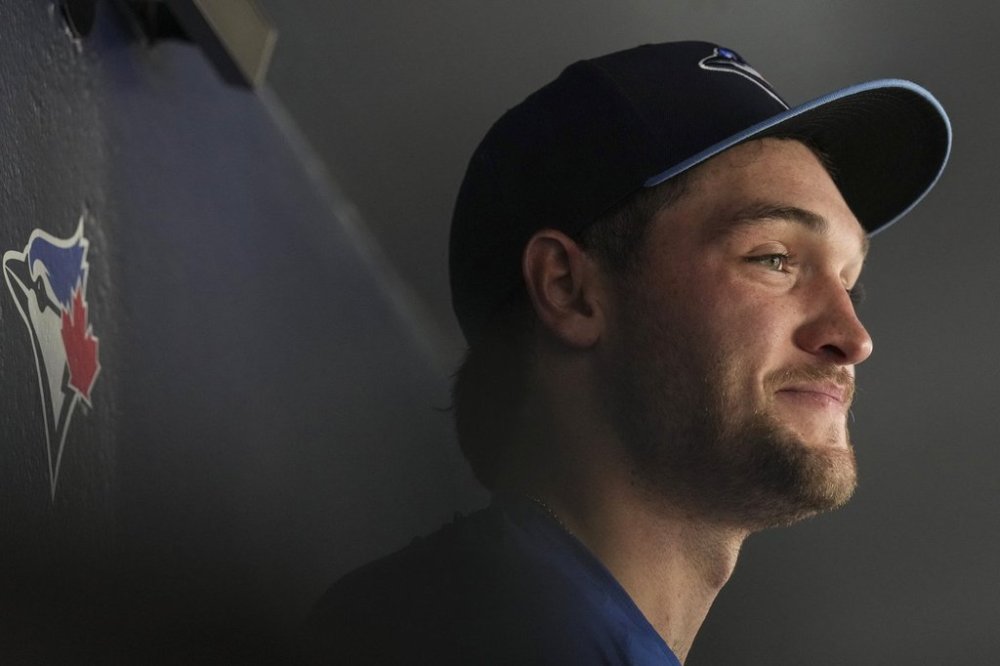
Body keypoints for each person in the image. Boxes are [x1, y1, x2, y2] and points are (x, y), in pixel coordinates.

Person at [303, 41, 951, 664]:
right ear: (570, 290)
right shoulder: (477, 637)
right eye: (774, 259)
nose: (853, 337)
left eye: (850, 282)